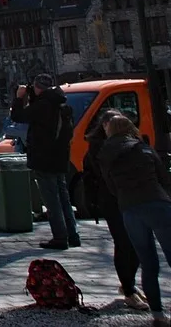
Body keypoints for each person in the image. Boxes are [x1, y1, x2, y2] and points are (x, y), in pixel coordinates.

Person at [101, 114, 171, 325]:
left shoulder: (106, 153)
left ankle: (158, 314)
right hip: (156, 202)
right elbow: (163, 177)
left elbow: (111, 185)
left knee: (148, 262)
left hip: (129, 208)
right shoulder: (143, 148)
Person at [84, 109, 147, 311]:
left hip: (133, 197)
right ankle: (128, 290)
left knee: (138, 244)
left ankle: (129, 284)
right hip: (112, 200)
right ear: (103, 127)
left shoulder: (133, 143)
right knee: (123, 242)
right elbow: (98, 176)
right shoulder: (98, 149)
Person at [11, 73, 80, 249]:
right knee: (64, 198)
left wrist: (19, 98)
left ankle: (60, 237)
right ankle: (73, 235)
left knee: (52, 201)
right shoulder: (62, 104)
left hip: (44, 158)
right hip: (60, 157)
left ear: (37, 87)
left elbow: (18, 116)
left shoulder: (42, 106)